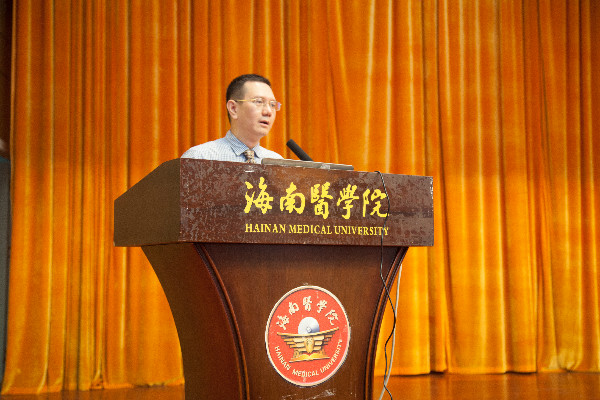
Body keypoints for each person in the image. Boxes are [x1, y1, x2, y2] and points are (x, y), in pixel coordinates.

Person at [181, 74, 284, 163]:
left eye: (272, 104)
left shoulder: (277, 163)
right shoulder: (200, 157)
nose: (268, 111)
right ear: (233, 108)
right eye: (259, 102)